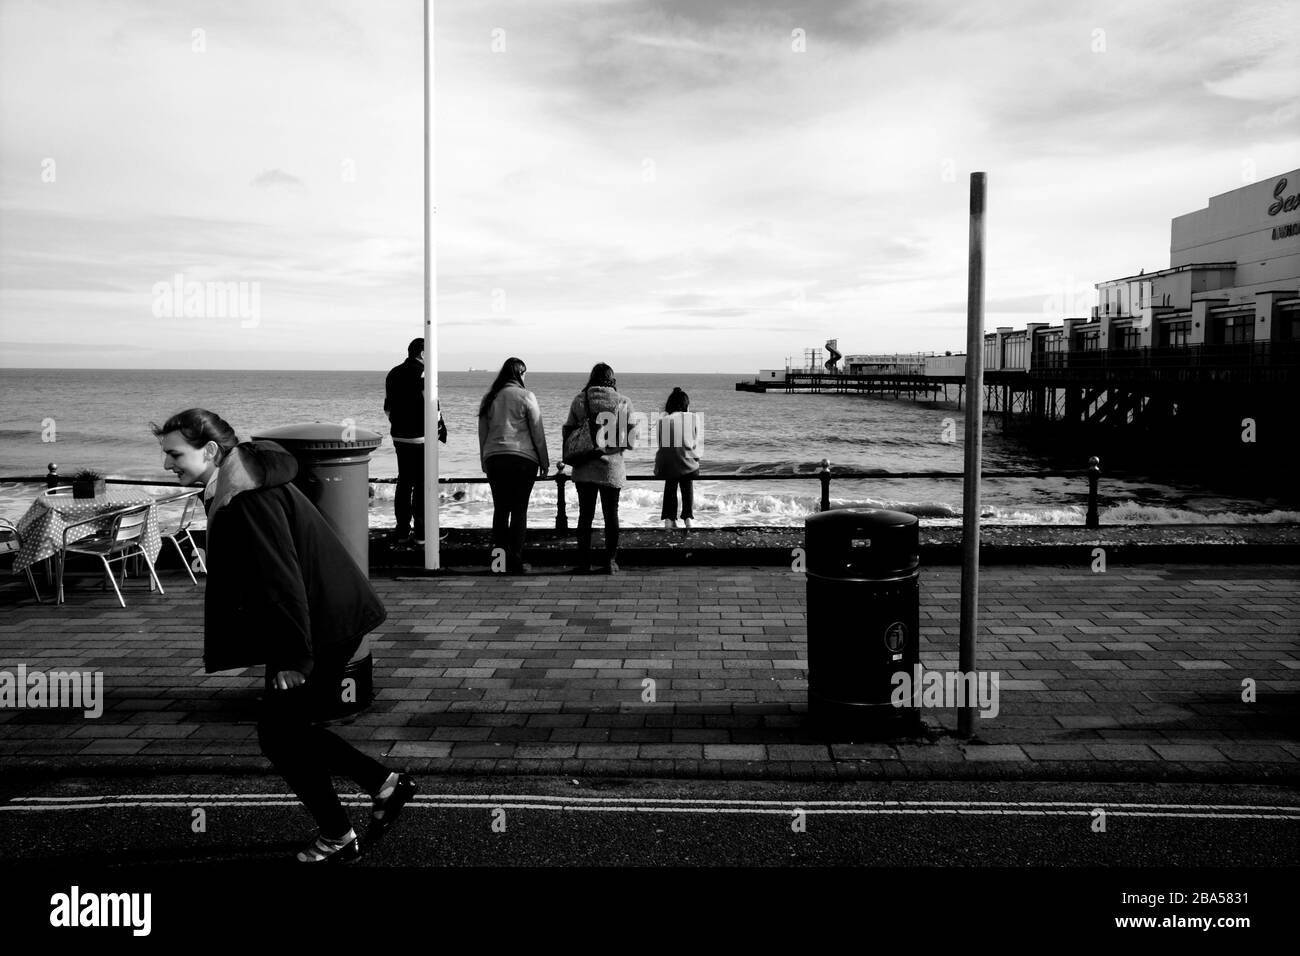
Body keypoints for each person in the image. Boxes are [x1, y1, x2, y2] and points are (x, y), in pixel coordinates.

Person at [153, 408, 416, 863]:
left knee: (280, 735)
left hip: (321, 629)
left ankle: (343, 831)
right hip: (324, 621)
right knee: (287, 731)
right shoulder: (242, 481)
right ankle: (381, 789)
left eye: (175, 453)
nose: (166, 464)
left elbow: (281, 581)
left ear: (211, 450)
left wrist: (295, 660)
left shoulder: (246, 497)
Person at [478, 357, 549, 575]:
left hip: (495, 459)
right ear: (520, 374)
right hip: (522, 460)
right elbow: (537, 432)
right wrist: (544, 462)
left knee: (500, 511)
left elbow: (483, 433)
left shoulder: (489, 398)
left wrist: (484, 459)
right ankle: (516, 562)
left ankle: (498, 564)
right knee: (519, 511)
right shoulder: (526, 396)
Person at [562, 363, 635, 574]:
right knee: (611, 515)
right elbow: (630, 441)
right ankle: (610, 563)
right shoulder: (623, 402)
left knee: (585, 516)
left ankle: (584, 563)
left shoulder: (580, 400)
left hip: (584, 468)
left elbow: (569, 432)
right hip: (612, 469)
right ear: (612, 379)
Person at [384, 337, 447, 547]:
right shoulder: (423, 373)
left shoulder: (393, 373)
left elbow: (388, 408)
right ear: (422, 353)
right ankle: (422, 533)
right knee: (422, 484)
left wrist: (398, 423)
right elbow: (432, 406)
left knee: (404, 482)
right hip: (421, 436)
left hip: (399, 436)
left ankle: (402, 531)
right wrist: (437, 428)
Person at [655, 387, 702, 530]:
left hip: (665, 466)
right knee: (687, 475)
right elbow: (695, 445)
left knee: (671, 478)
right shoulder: (694, 418)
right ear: (686, 405)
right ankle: (688, 518)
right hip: (687, 467)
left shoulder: (662, 420)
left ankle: (669, 519)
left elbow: (661, 445)